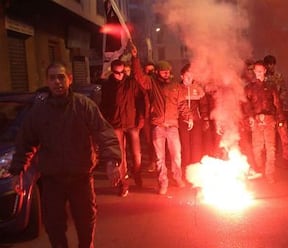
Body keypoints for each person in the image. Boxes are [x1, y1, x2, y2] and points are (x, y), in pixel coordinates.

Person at [9, 62, 122, 248]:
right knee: (54, 226)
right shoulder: (39, 111)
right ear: (47, 81)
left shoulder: (84, 105)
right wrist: (17, 171)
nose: (57, 82)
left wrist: (112, 161)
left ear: (69, 79)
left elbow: (103, 132)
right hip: (52, 180)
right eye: (52, 78)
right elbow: (25, 142)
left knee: (85, 222)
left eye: (61, 77)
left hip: (81, 178)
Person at [135, 59, 193, 195]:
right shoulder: (151, 83)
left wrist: (189, 117)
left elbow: (182, 104)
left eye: (168, 71)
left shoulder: (175, 86)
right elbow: (139, 77)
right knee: (160, 158)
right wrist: (135, 59)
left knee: (176, 155)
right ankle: (163, 182)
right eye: (163, 71)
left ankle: (177, 177)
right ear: (157, 72)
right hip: (158, 125)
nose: (166, 74)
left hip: (172, 126)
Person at [100, 46, 147, 197]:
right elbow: (104, 105)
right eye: (117, 73)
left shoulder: (132, 82)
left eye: (122, 72)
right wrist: (107, 120)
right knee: (119, 156)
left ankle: (137, 174)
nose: (120, 75)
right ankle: (122, 184)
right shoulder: (107, 86)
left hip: (132, 123)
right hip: (116, 124)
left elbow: (142, 99)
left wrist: (141, 118)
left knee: (136, 153)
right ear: (112, 72)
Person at [244, 60, 285, 183]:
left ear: (265, 71)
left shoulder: (271, 87)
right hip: (256, 121)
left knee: (270, 149)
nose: (258, 73)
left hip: (269, 120)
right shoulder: (249, 88)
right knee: (257, 148)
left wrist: (280, 119)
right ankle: (259, 170)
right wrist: (250, 117)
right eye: (256, 71)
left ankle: (269, 174)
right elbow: (246, 105)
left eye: (261, 71)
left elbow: (277, 104)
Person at [178, 64, 207, 179]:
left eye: (191, 76)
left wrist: (204, 118)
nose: (189, 78)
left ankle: (195, 171)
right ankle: (186, 171)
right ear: (182, 76)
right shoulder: (178, 88)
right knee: (185, 147)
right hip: (183, 122)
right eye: (187, 76)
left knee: (196, 146)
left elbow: (204, 105)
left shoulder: (198, 88)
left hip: (196, 121)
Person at [263, 54, 288, 166]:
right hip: (268, 113)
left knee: (285, 138)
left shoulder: (278, 77)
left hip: (279, 112)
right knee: (268, 140)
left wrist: (278, 101)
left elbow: (284, 91)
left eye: (272, 64)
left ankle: (286, 159)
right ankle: (270, 161)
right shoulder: (262, 79)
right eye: (268, 64)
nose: (271, 67)